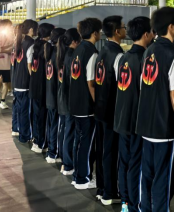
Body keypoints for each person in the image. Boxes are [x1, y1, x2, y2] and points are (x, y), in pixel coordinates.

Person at [137, 7, 174, 212]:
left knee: (147, 172)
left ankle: (145, 208)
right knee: (164, 176)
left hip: (146, 122)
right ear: (171, 26)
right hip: (165, 126)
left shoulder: (149, 51)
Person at [115, 17, 154, 212]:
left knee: (124, 162)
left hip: (122, 116)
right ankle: (134, 206)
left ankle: (125, 203)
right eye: (152, 32)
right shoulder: (144, 59)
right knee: (136, 165)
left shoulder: (124, 57)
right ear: (146, 34)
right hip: (136, 119)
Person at [93, 15, 126, 205]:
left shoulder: (102, 51)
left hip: (100, 107)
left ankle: (102, 188)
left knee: (102, 150)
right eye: (123, 27)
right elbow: (122, 86)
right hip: (111, 109)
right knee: (111, 152)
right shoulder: (118, 55)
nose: (125, 30)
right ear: (117, 31)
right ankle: (110, 192)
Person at [69, 18, 102, 190]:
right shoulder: (91, 52)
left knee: (79, 141)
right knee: (86, 144)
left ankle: (78, 175)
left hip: (75, 103)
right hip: (86, 106)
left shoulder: (78, 49)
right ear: (95, 33)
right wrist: (98, 104)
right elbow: (91, 83)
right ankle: (83, 178)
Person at [57, 28, 81, 176]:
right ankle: (68, 164)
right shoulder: (72, 56)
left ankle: (65, 162)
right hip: (69, 99)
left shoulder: (64, 53)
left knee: (66, 130)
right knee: (70, 132)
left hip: (63, 97)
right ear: (75, 41)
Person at [29, 23, 55, 154]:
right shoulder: (48, 47)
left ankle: (36, 141)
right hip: (42, 86)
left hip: (34, 85)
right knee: (42, 117)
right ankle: (41, 143)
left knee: (36, 115)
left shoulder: (35, 44)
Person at [14, 19, 38, 144]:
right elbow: (30, 65)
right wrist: (33, 80)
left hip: (17, 82)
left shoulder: (21, 42)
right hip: (25, 84)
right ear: (31, 29)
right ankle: (25, 136)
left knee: (20, 111)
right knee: (26, 112)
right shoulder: (31, 43)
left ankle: (20, 132)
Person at [45, 27, 66, 163]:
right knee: (56, 127)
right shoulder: (59, 54)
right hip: (56, 97)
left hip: (50, 95)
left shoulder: (50, 51)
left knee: (51, 125)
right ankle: (53, 153)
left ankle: (51, 151)